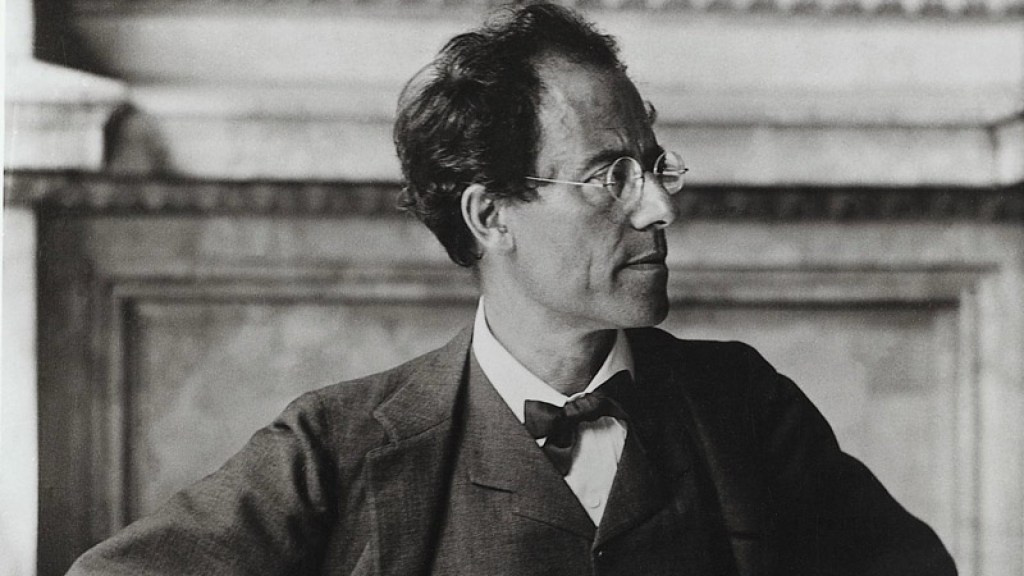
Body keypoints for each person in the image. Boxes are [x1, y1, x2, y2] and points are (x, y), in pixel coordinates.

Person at [67, 3, 956, 575]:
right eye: (609, 177)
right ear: (491, 214)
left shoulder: (745, 410)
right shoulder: (340, 447)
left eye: (654, 168)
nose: (659, 208)